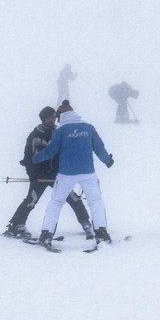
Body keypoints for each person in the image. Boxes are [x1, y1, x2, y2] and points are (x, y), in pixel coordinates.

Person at [6, 106, 95, 239]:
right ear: (43, 119)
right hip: (39, 175)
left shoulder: (59, 132)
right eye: (49, 118)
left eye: (54, 117)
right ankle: (16, 224)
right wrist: (33, 175)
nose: (52, 120)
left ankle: (85, 222)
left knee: (73, 197)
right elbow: (28, 158)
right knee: (32, 199)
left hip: (56, 174)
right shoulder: (35, 135)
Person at [33, 100, 114, 246]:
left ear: (62, 116)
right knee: (95, 202)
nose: (56, 119)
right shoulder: (88, 128)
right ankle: (101, 232)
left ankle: (46, 234)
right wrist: (108, 161)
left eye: (57, 116)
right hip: (88, 173)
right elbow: (99, 147)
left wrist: (36, 158)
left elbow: (51, 151)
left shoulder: (61, 131)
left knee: (56, 202)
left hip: (66, 174)